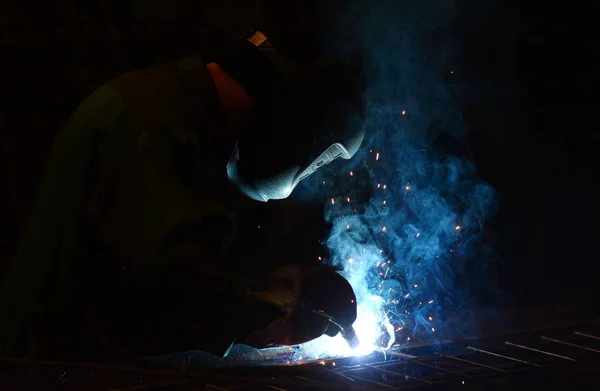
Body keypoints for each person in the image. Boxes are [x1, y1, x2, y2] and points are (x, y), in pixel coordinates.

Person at [0, 29, 365, 361]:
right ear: (289, 119)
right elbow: (171, 290)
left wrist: (270, 283)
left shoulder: (177, 115)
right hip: (53, 368)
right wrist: (271, 315)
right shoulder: (154, 132)